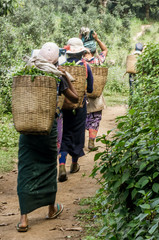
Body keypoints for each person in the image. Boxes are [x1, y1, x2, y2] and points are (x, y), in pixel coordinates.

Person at [16, 42, 79, 232]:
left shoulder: (27, 73)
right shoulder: (56, 77)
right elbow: (75, 98)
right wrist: (63, 75)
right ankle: (51, 209)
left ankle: (24, 219)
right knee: (48, 167)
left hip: (27, 129)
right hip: (47, 128)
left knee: (26, 168)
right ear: (56, 61)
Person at [58, 37, 94, 182]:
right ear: (81, 53)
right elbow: (90, 89)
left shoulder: (62, 67)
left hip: (64, 106)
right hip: (79, 106)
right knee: (78, 133)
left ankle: (61, 164)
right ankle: (74, 164)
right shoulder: (86, 67)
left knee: (65, 133)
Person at [80, 28, 108, 150]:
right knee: (95, 118)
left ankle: (79, 143)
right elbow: (105, 50)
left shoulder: (80, 63)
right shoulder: (98, 60)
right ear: (93, 50)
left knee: (82, 119)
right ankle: (91, 142)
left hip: (82, 95)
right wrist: (97, 39)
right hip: (96, 96)